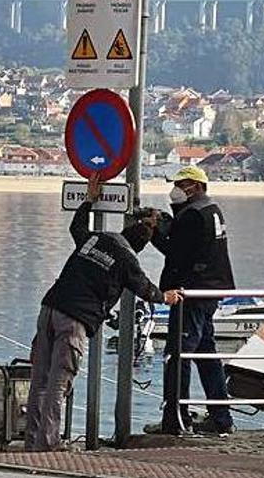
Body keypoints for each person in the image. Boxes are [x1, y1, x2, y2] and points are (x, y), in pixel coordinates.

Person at [26, 175, 181, 452]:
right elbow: (146, 289)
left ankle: (33, 442)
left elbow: (76, 226)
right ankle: (48, 445)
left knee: (40, 378)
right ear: (140, 247)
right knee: (59, 383)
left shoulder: (94, 239)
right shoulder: (126, 260)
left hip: (49, 308)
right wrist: (166, 297)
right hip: (74, 320)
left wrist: (89, 199)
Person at [148, 165, 237, 436]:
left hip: (191, 293)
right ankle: (221, 418)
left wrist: (153, 233)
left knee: (177, 354)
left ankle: (175, 419)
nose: (176, 189)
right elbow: (192, 244)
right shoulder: (211, 210)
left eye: (181, 183)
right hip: (210, 290)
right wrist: (168, 222)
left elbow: (176, 252)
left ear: (196, 186)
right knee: (206, 354)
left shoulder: (193, 215)